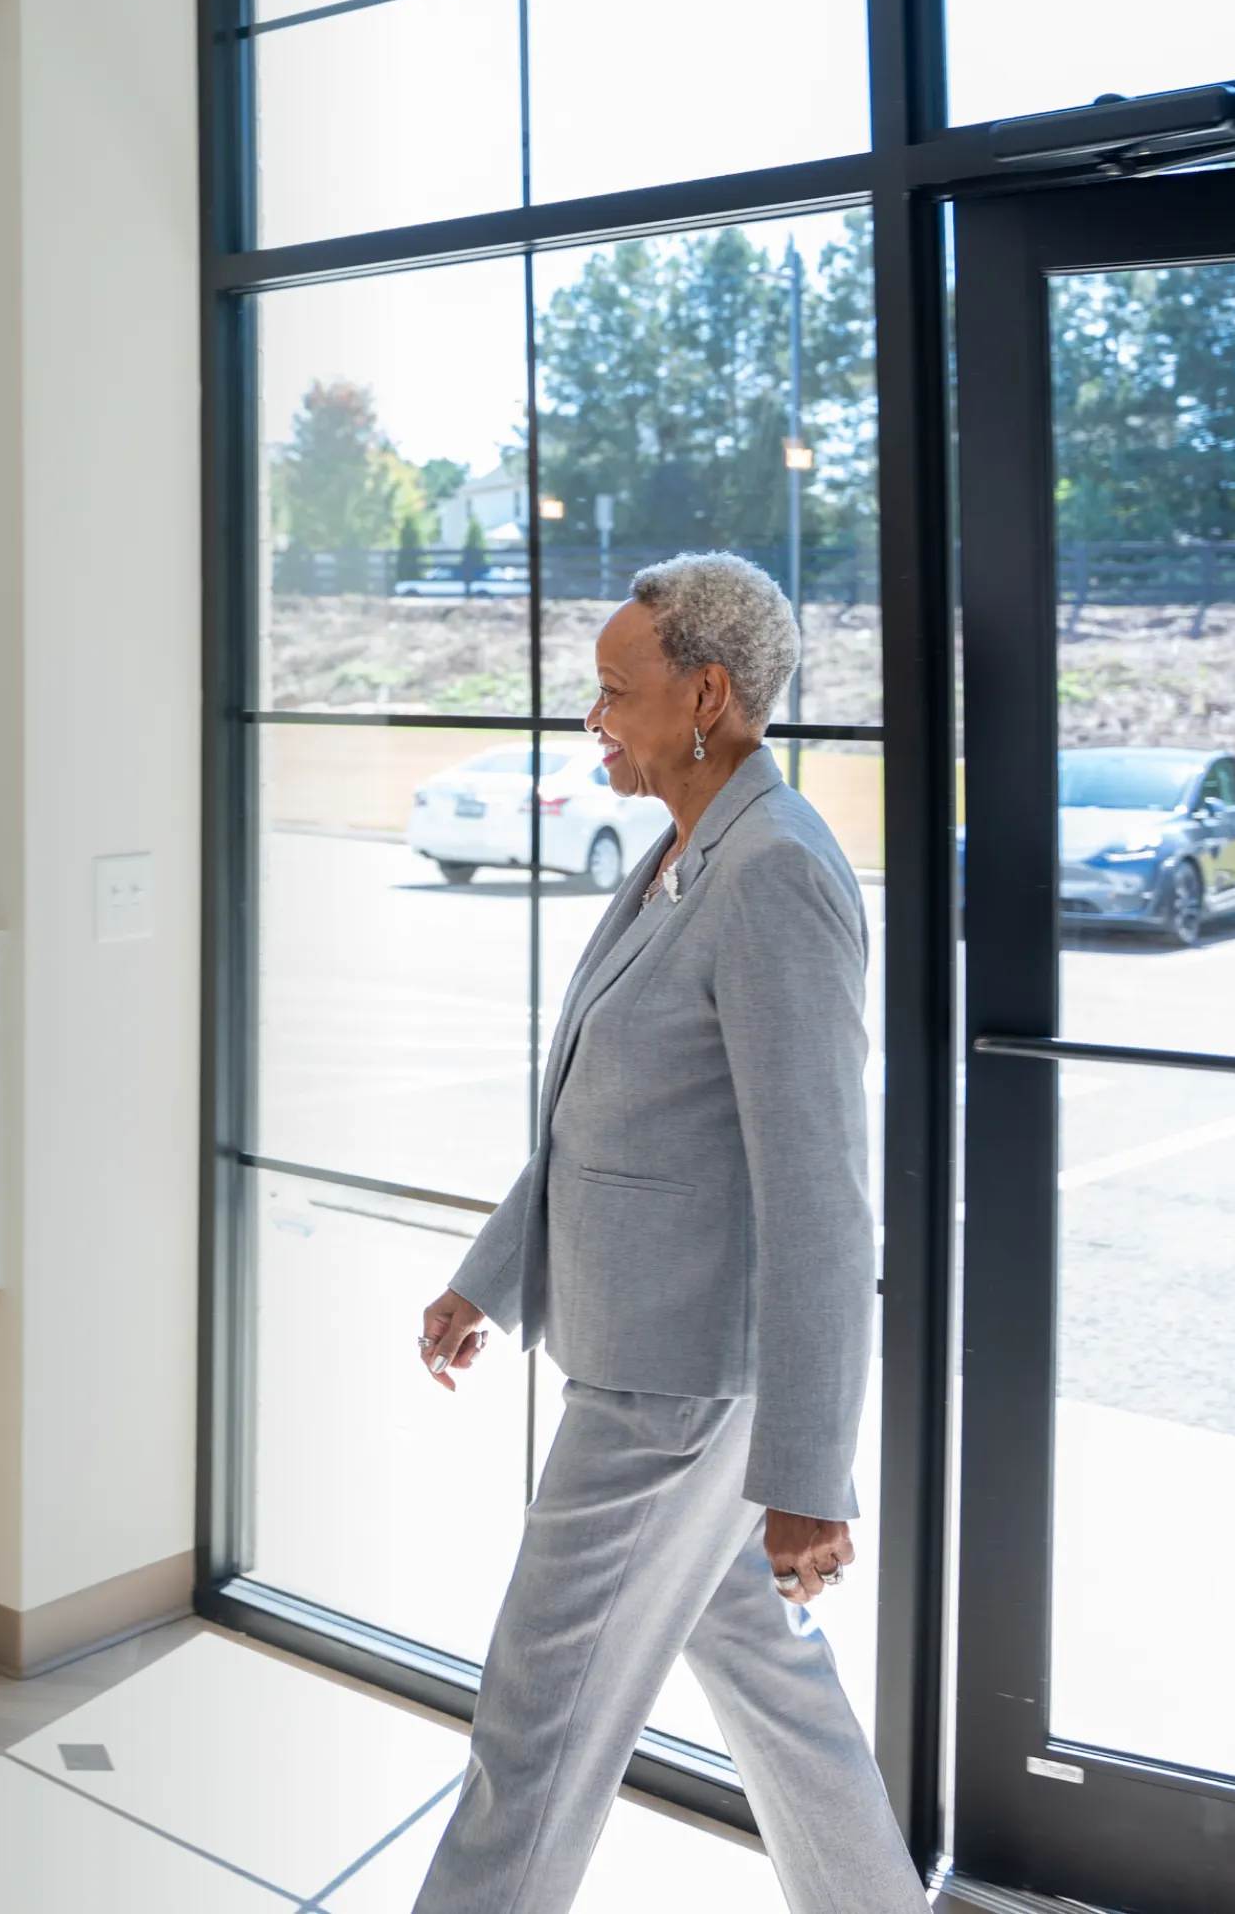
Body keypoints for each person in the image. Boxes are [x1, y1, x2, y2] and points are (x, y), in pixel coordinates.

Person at [409, 554, 923, 1914]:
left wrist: (809, 1472)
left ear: (705, 696)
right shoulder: (687, 852)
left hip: (672, 1393)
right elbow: (612, 1115)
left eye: (612, 689)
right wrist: (488, 1276)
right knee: (770, 1683)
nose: (592, 716)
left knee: (536, 1723)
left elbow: (818, 1192)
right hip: (665, 1360)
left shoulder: (775, 872)